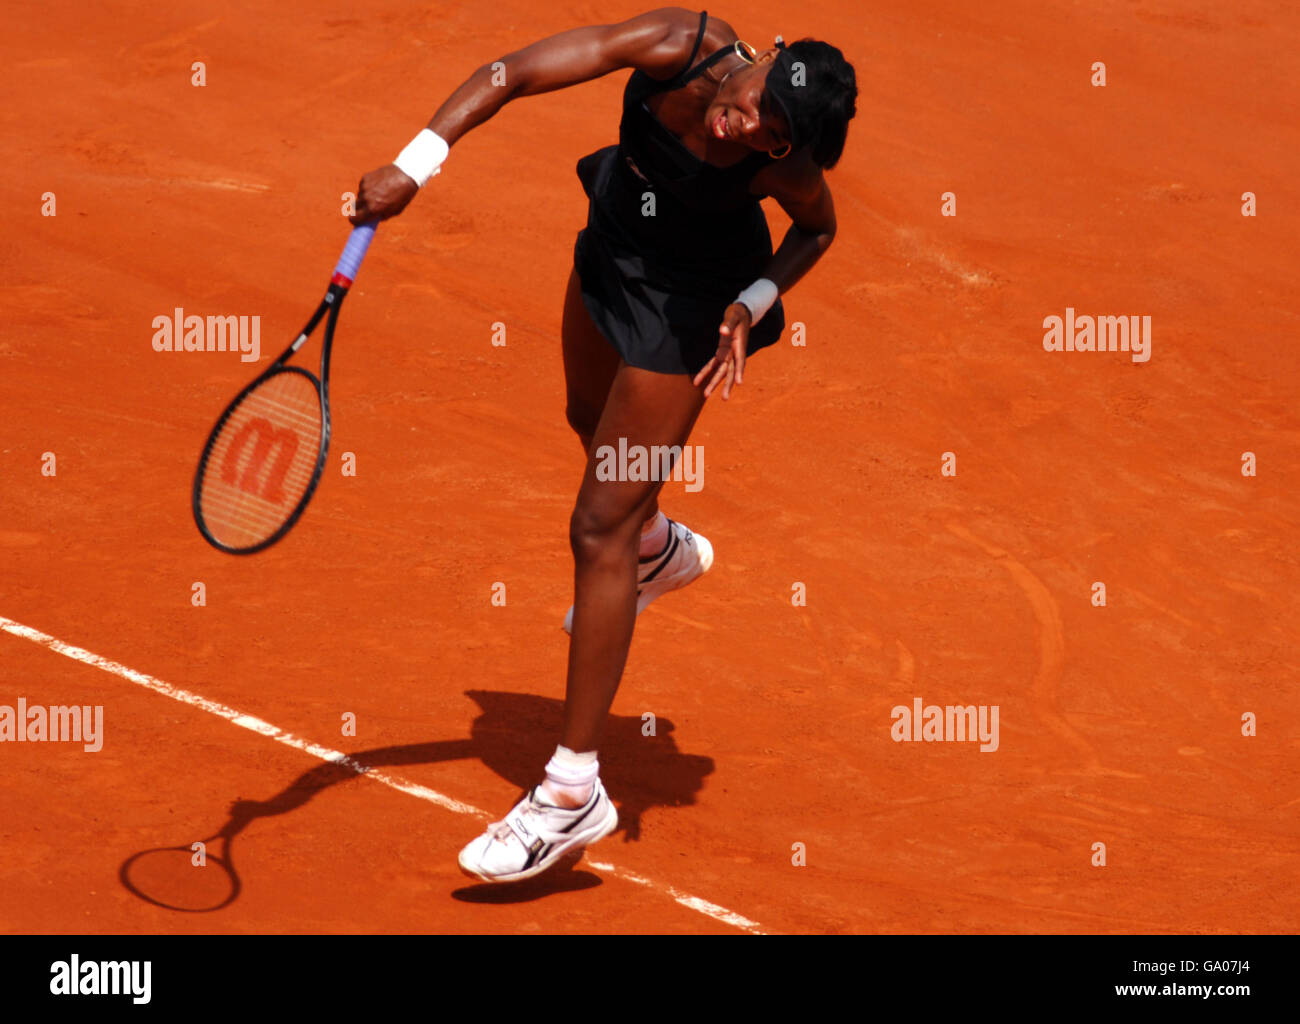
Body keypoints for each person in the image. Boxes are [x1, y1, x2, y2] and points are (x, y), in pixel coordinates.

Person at [350, 7, 857, 883]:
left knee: (598, 525)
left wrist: (754, 302)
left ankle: (571, 789)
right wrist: (414, 164)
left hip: (690, 308)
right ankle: (658, 549)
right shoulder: (679, 43)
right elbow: (510, 71)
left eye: (775, 134)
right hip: (612, 251)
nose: (750, 124)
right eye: (757, 100)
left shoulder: (786, 163)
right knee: (589, 429)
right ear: (764, 58)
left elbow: (817, 229)